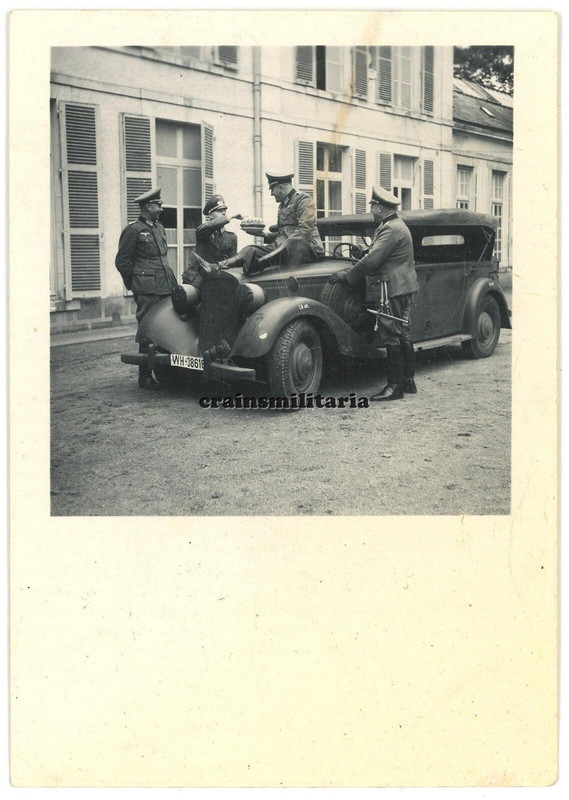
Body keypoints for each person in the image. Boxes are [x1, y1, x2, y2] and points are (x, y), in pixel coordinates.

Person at [329, 186, 419, 401]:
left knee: (390, 333)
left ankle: (394, 387)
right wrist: (366, 251)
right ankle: (408, 381)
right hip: (403, 285)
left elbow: (372, 261)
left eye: (372, 206)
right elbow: (378, 252)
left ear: (379, 207)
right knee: (402, 331)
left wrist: (346, 276)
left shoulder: (390, 228)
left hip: (392, 287)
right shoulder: (394, 225)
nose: (371, 210)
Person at [193, 171, 324, 276]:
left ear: (281, 187)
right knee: (250, 249)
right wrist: (263, 235)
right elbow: (282, 235)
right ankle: (215, 267)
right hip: (285, 248)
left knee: (288, 243)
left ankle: (258, 264)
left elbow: (304, 231)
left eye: (272, 189)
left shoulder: (303, 199)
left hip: (308, 249)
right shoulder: (282, 206)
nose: (272, 194)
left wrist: (280, 245)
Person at [115, 187, 177, 390]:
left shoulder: (159, 228)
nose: (161, 208)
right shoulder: (133, 231)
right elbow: (123, 262)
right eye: (158, 205)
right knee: (148, 331)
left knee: (168, 327)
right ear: (148, 206)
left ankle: (168, 371)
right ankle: (145, 376)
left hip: (166, 285)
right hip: (147, 289)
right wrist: (134, 285)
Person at [181, 194, 242, 291]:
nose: (223, 213)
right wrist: (230, 217)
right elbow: (209, 227)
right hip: (196, 282)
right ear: (210, 215)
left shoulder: (231, 237)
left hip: (216, 282)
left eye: (225, 211)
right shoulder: (202, 231)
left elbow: (231, 264)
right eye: (219, 211)